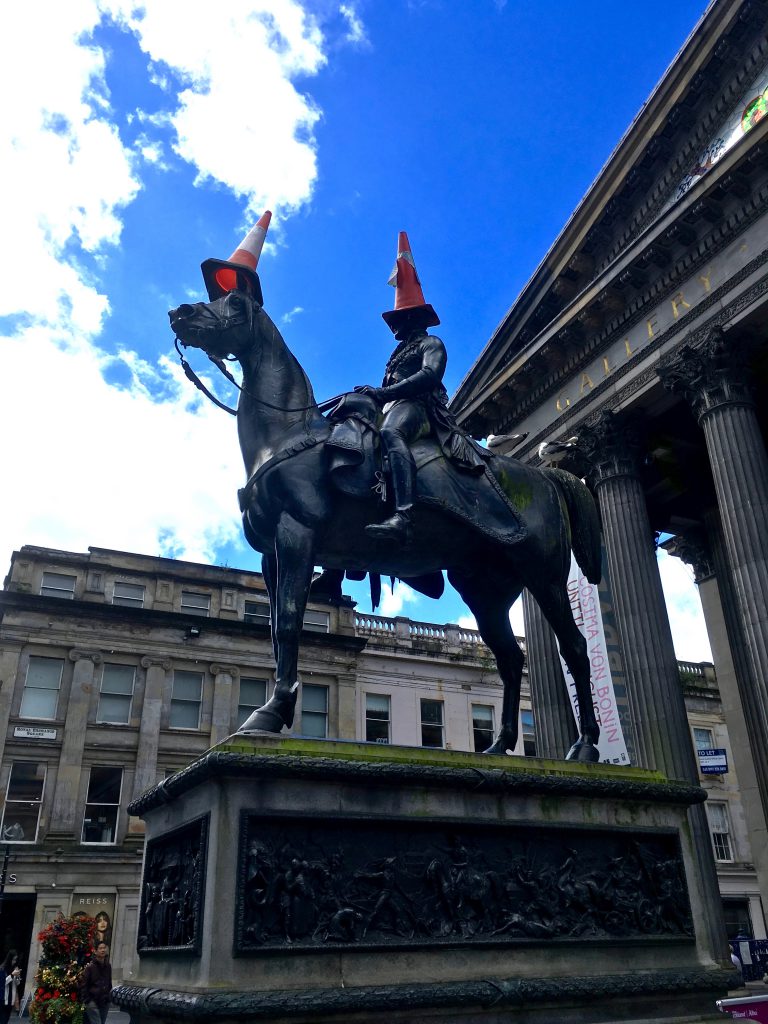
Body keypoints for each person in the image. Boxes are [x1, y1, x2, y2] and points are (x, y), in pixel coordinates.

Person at [356, 231, 488, 543]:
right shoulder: (398, 353)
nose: (395, 325)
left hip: (423, 409)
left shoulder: (432, 343)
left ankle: (405, 514)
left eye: (399, 318)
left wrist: (385, 393)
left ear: (413, 317)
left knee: (391, 433)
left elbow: (429, 376)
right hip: (396, 406)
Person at [79, 942, 112, 1024]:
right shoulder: (90, 967)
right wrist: (88, 1001)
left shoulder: (108, 966)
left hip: (105, 1001)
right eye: (100, 948)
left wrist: (109, 997)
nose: (103, 950)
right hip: (93, 1001)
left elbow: (109, 982)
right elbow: (84, 985)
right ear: (96, 951)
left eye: (104, 948)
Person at [0, 951, 21, 1024]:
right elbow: (3, 982)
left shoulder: (14, 968)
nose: (14, 962)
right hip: (2, 998)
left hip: (11, 999)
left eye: (15, 960)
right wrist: (12, 975)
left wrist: (18, 976)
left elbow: (17, 984)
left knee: (6, 1020)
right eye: (13, 960)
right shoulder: (2, 968)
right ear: (9, 959)